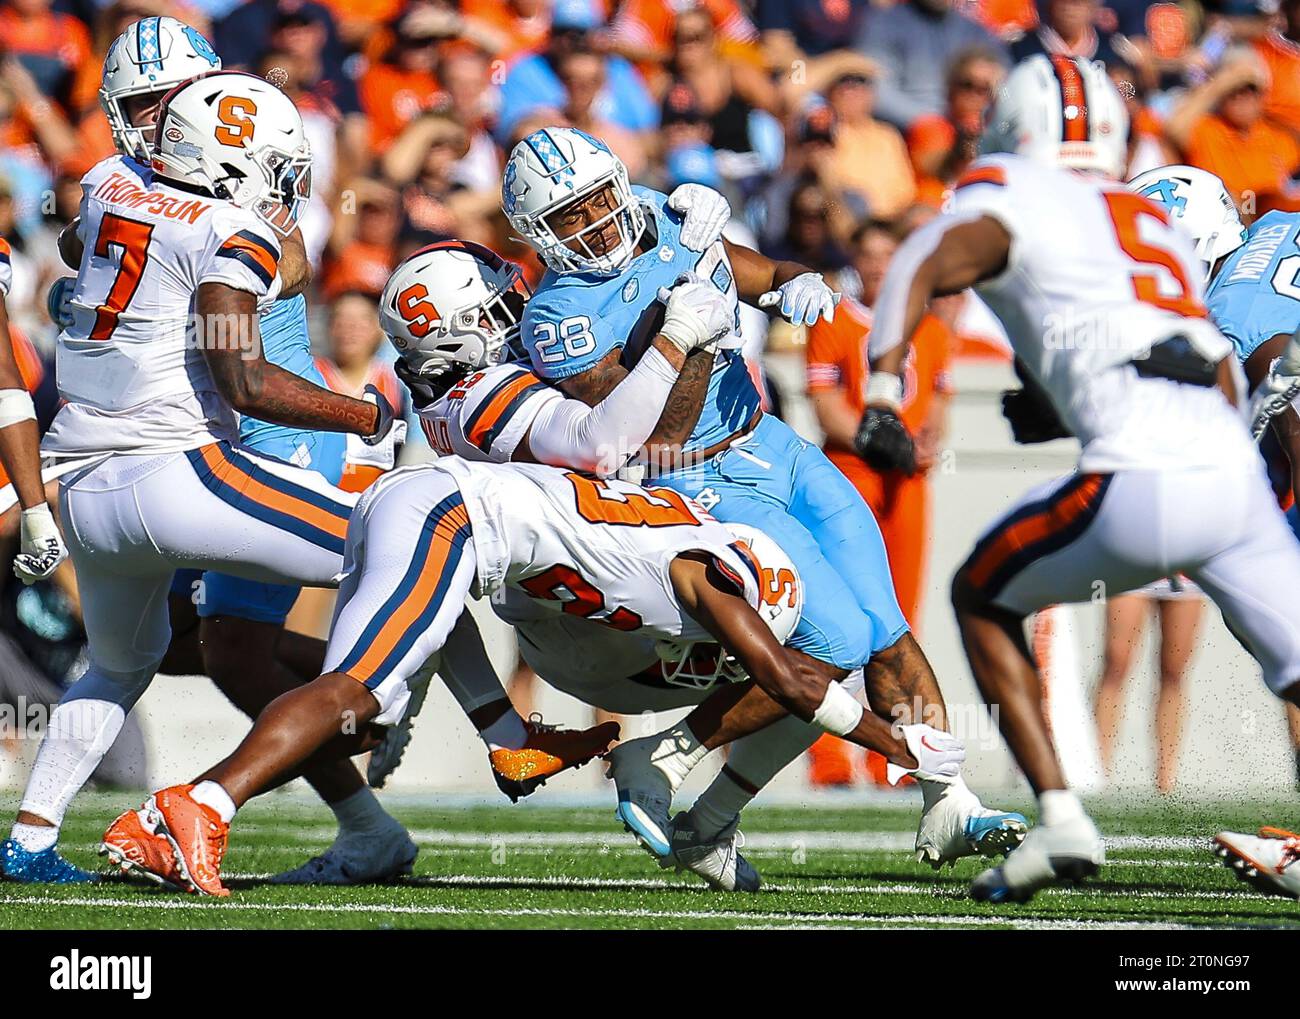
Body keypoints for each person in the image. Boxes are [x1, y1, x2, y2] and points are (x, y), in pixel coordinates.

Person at [504, 125, 1025, 867]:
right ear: (539, 236)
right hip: (690, 477)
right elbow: (640, 433)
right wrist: (685, 334)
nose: (592, 223)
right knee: (834, 643)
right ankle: (668, 755)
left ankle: (947, 800)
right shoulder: (556, 318)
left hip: (771, 439)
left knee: (884, 624)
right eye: (569, 217)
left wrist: (790, 280)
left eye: (596, 202)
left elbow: (748, 272)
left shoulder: (655, 213)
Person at [862, 55, 1300, 903]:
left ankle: (1061, 816)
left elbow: (923, 259)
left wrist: (886, 385)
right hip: (1233, 483)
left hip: (1166, 470)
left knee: (981, 595)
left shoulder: (1052, 207)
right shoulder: (1252, 236)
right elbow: (1213, 369)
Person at [0, 69, 410, 886]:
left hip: (81, 481)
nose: (282, 181)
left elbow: (87, 247)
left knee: (120, 662)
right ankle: (398, 704)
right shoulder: (231, 229)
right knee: (416, 538)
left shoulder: (111, 185)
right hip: (174, 473)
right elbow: (247, 381)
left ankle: (31, 841)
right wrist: (366, 417)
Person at [1092, 581, 1204, 794]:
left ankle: (1166, 780)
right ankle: (1097, 772)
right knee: (1117, 663)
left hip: (1182, 570)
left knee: (1174, 671)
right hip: (1133, 565)